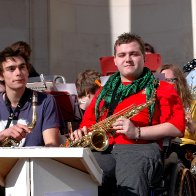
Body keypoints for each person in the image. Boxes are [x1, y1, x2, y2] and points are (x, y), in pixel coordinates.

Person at [70, 33, 185, 195]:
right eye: (122, 55)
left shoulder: (162, 88)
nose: (128, 59)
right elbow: (87, 126)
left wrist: (137, 132)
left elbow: (176, 127)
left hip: (140, 149)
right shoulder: (103, 92)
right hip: (104, 150)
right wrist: (80, 133)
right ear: (115, 61)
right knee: (76, 180)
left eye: (134, 54)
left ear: (144, 59)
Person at [0, 47, 60, 147]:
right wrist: (3, 135)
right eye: (11, 69)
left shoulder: (46, 101)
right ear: (1, 75)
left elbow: (52, 146)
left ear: (28, 71)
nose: (18, 73)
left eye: (22, 67)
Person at [157, 64, 196, 168]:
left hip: (185, 146)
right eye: (162, 80)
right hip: (162, 145)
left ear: (179, 82)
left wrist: (191, 125)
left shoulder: (192, 104)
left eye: (169, 80)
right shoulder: (154, 105)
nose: (165, 84)